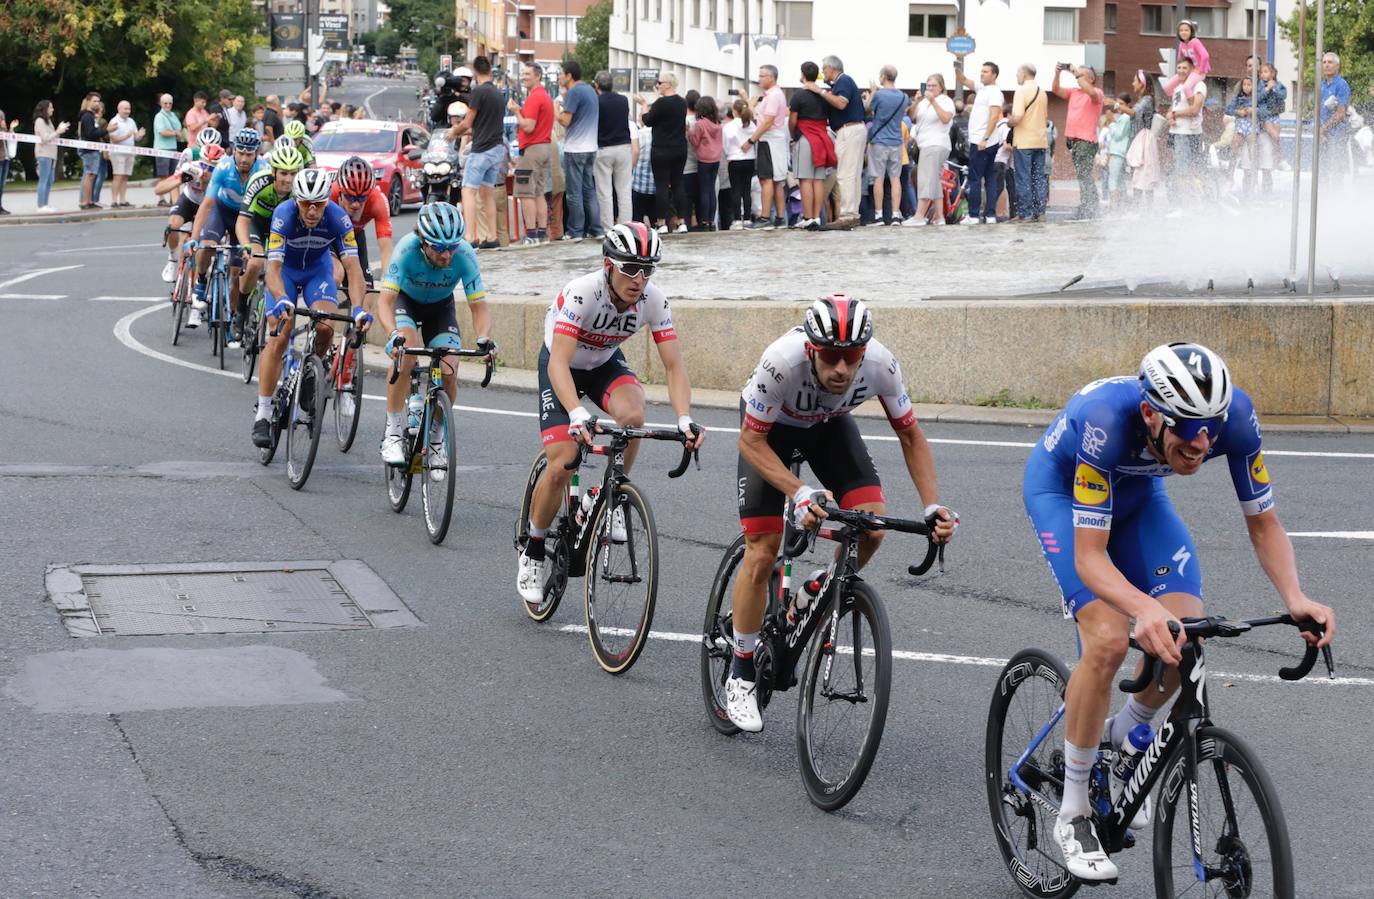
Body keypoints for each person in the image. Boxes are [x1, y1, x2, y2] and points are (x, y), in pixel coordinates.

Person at [1022, 343, 1335, 882]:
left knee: (1185, 636)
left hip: (1140, 495)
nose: (1201, 443)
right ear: (1150, 413)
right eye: (1187, 429)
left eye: (1210, 428)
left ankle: (1127, 735)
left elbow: (1264, 524)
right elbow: (1090, 556)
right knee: (1109, 640)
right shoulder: (1105, 420)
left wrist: (1295, 598)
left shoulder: (1235, 418)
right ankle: (1073, 813)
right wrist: (1140, 608)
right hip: (1061, 489)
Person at [724, 295, 957, 732]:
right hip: (770, 432)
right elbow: (749, 443)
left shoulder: (882, 365)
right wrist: (798, 493)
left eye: (852, 358)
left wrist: (932, 505)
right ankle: (740, 670)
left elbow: (911, 436)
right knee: (763, 547)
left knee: (871, 525)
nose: (842, 370)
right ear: (812, 349)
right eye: (832, 357)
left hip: (828, 428)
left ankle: (818, 586)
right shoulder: (781, 363)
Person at [515, 222, 705, 603]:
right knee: (564, 460)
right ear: (608, 265)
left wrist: (684, 418)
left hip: (603, 363)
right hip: (561, 365)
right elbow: (559, 364)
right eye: (630, 268)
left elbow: (673, 366)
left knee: (634, 418)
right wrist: (574, 411)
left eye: (647, 269)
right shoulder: (584, 294)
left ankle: (608, 495)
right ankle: (534, 549)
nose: (639, 278)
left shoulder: (654, 300)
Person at [252, 168, 372, 449]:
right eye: (306, 203)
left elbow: (354, 271)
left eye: (319, 203)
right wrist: (281, 297)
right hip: (287, 274)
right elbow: (273, 270)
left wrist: (357, 309)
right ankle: (264, 411)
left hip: (317, 272)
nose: (312, 210)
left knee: (325, 326)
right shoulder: (283, 214)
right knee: (279, 336)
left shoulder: (338, 218)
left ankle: (310, 374)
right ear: (296, 201)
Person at [377, 202, 493, 466]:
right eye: (439, 248)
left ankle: (438, 437)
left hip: (440, 308)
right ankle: (393, 432)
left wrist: (484, 337)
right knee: (405, 355)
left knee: (450, 367)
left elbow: (479, 307)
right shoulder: (405, 250)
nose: (447, 255)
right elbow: (385, 302)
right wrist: (392, 334)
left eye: (452, 247)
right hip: (405, 302)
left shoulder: (464, 254)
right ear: (423, 242)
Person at [186, 128, 267, 332]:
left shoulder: (264, 169)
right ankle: (202, 280)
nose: (244, 158)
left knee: (236, 272)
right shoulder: (223, 167)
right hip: (222, 212)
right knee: (207, 246)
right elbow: (206, 204)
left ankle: (231, 319)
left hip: (247, 217)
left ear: (256, 153)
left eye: (249, 154)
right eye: (240, 152)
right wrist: (194, 238)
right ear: (234, 151)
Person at [234, 144, 304, 324]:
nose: (289, 179)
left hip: (281, 229)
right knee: (255, 263)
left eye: (293, 173)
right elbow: (242, 220)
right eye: (283, 173)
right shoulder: (259, 181)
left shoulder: (299, 190)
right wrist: (245, 245)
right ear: (273, 172)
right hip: (257, 223)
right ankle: (241, 311)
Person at [448, 55, 506, 250]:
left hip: (481, 150)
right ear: (489, 69)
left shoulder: (478, 92)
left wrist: (452, 132)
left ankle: (470, 236)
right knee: (486, 193)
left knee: (468, 191)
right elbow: (482, 125)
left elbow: (467, 122)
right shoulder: (498, 94)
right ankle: (491, 237)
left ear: (474, 71)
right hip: (497, 149)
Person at [157, 128, 225, 282]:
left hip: (209, 205)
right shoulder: (190, 163)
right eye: (204, 165)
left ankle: (200, 281)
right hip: (189, 200)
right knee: (173, 224)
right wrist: (181, 179)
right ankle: (173, 259)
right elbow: (159, 189)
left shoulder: (223, 169)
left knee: (205, 245)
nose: (207, 170)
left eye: (212, 167)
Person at [811, 56, 865, 225]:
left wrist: (819, 91)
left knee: (845, 174)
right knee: (853, 175)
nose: (823, 73)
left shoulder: (843, 81)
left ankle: (847, 214)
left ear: (832, 69)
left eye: (824, 69)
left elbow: (841, 103)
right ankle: (852, 213)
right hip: (854, 130)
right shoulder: (843, 82)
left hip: (848, 130)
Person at [635, 72, 689, 236]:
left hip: (661, 149)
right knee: (678, 184)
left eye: (660, 83)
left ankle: (661, 222)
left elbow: (647, 120)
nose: (657, 85)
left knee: (662, 186)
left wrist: (644, 104)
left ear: (668, 84)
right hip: (680, 148)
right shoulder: (682, 102)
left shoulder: (661, 103)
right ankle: (682, 222)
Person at [331, 156, 394, 292]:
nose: (356, 204)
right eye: (350, 197)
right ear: (340, 192)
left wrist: (389, 283)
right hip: (330, 237)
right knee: (336, 276)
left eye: (362, 198)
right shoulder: (330, 194)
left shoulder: (377, 201)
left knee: (366, 292)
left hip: (355, 236)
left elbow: (386, 250)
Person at [510, 62, 555, 244]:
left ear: (538, 76)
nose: (524, 77)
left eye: (527, 74)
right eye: (523, 73)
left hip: (531, 150)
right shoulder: (545, 96)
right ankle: (542, 233)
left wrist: (515, 112)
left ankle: (531, 235)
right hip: (544, 147)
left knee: (525, 192)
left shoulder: (535, 97)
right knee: (538, 192)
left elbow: (528, 126)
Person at [1053, 64, 1105, 221]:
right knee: (1083, 175)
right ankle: (1089, 206)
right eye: (1077, 76)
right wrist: (1057, 74)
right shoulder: (1074, 92)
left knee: (1084, 175)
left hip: (1086, 141)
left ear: (1091, 79)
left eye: (1082, 76)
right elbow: (1055, 90)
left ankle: (1089, 207)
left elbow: (1090, 91)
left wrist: (1076, 74)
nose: (1078, 79)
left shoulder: (1097, 93)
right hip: (1074, 141)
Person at [956, 61, 1005, 225]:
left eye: (985, 72)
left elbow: (994, 116)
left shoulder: (995, 92)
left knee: (975, 178)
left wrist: (984, 138)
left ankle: (974, 215)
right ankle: (990, 215)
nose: (982, 74)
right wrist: (958, 64)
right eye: (981, 71)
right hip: (981, 140)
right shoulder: (982, 88)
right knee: (989, 177)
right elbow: (963, 80)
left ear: (994, 75)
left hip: (983, 141)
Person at [789, 62, 836, 231]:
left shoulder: (798, 95)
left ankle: (807, 217)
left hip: (805, 137)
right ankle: (816, 216)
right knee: (818, 180)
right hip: (822, 138)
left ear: (803, 74)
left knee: (805, 180)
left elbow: (793, 120)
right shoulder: (823, 94)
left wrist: (794, 136)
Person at [740, 65, 789, 230]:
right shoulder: (774, 95)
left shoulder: (773, 95)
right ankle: (780, 217)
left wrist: (751, 140)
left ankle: (765, 217)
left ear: (771, 77)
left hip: (769, 140)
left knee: (766, 179)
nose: (759, 78)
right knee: (776, 181)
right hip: (773, 140)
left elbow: (767, 121)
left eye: (762, 76)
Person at [558, 60, 601, 241]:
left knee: (574, 192)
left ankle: (576, 230)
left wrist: (556, 113)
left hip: (575, 149)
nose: (559, 76)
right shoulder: (590, 90)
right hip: (591, 147)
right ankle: (596, 228)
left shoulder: (573, 92)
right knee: (589, 189)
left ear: (569, 75)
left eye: (561, 73)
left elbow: (566, 121)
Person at [904, 74, 954, 227]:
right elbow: (912, 117)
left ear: (941, 87)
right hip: (925, 144)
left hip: (935, 143)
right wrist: (917, 101)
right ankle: (940, 217)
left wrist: (933, 101)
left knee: (925, 178)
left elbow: (946, 118)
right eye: (928, 85)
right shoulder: (923, 102)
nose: (930, 88)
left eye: (934, 85)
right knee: (933, 180)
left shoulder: (946, 101)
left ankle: (919, 216)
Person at [593, 70, 636, 229]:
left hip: (603, 148)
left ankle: (607, 228)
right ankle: (626, 227)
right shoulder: (623, 100)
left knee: (605, 193)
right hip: (623, 147)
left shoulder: (596, 101)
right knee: (624, 191)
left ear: (597, 85)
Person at [866, 65, 907, 227]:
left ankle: (879, 215)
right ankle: (896, 215)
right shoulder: (904, 97)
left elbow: (868, 108)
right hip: (897, 141)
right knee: (895, 178)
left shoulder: (880, 95)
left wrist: (873, 91)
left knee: (878, 178)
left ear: (883, 76)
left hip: (879, 141)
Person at [1008, 64, 1049, 223]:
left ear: (1024, 75)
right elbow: (1044, 115)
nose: (1016, 76)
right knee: (1038, 177)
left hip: (1024, 142)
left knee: (1023, 177)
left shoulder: (1021, 91)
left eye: (1018, 73)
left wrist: (1008, 122)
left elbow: (1017, 117)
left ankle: (1026, 213)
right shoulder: (1042, 92)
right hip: (1040, 141)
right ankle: (1041, 212)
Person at [1166, 58, 1207, 202]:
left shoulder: (1199, 85)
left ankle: (1188, 204)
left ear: (1191, 70)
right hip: (1176, 133)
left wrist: (1176, 114)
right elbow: (1173, 107)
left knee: (1186, 170)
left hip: (1188, 133)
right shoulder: (1178, 86)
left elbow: (1195, 109)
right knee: (1180, 169)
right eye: (1179, 68)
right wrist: (1169, 115)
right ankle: (1186, 202)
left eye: (1184, 68)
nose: (1181, 70)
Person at [688, 95, 722, 231]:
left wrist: (689, 133)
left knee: (704, 191)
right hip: (716, 160)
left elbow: (695, 142)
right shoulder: (718, 124)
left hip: (704, 160)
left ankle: (704, 220)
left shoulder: (701, 124)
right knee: (712, 190)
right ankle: (711, 221)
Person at [722, 97, 756, 230]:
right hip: (749, 159)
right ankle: (747, 218)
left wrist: (727, 155)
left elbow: (725, 145)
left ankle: (737, 219)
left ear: (734, 111)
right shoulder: (752, 125)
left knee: (735, 189)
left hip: (734, 159)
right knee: (746, 189)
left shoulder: (729, 126)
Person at [105, 100, 146, 208]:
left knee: (125, 176)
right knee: (118, 176)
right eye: (125, 109)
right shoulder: (114, 121)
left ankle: (123, 200)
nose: (128, 111)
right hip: (118, 153)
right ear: (119, 109)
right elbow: (113, 139)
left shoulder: (131, 121)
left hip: (130, 152)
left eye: (129, 109)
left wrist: (140, 135)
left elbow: (136, 137)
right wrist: (127, 136)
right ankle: (114, 201)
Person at [1318, 52, 1352, 179]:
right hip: (1322, 133)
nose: (1326, 65)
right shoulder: (1321, 85)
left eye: (1330, 62)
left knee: (1336, 168)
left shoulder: (1341, 84)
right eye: (1324, 62)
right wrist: (1318, 130)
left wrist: (1323, 129)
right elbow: (1317, 109)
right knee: (1321, 169)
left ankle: (1336, 197)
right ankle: (1322, 196)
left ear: (1337, 66)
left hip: (1336, 134)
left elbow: (1340, 113)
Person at [31, 100, 69, 213]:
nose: (53, 109)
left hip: (51, 154)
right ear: (45, 109)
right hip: (43, 154)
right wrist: (58, 131)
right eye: (51, 107)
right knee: (43, 180)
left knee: (49, 180)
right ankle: (41, 205)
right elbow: (45, 138)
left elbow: (53, 136)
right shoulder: (39, 121)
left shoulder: (48, 121)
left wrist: (59, 130)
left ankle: (45, 204)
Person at [1161, 20, 1211, 100]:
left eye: (1186, 30)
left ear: (1191, 31)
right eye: (1181, 30)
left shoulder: (1195, 42)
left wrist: (1200, 70)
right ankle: (1178, 101)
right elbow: (1180, 59)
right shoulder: (1182, 44)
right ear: (1178, 33)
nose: (1184, 32)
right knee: (1167, 87)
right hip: (1186, 71)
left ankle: (1192, 106)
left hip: (1198, 72)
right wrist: (1179, 71)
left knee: (1186, 87)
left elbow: (1205, 56)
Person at [77, 93, 105, 210]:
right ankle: (85, 202)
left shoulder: (90, 116)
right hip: (89, 150)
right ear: (88, 102)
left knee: (92, 175)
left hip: (92, 149)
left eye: (98, 101)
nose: (97, 103)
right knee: (89, 175)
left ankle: (89, 200)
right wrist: (106, 130)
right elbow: (90, 133)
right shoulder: (87, 117)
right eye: (94, 101)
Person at [1103, 101, 1131, 209]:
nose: (1117, 106)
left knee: (1113, 179)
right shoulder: (1124, 117)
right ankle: (1121, 204)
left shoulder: (1125, 117)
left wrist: (1111, 122)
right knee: (1119, 179)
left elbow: (1118, 135)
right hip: (1118, 152)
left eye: (1121, 103)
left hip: (1118, 152)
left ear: (1127, 105)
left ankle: (1114, 205)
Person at [630, 119, 657, 229]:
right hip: (656, 187)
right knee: (655, 223)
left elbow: (633, 153)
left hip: (638, 186)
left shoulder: (639, 134)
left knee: (637, 224)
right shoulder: (662, 135)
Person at [153, 95, 183, 189]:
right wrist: (175, 133)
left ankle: (173, 198)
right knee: (163, 175)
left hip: (173, 148)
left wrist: (176, 132)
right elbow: (163, 132)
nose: (168, 105)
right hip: (162, 148)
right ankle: (161, 199)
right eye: (165, 103)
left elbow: (179, 128)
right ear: (161, 104)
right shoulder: (159, 116)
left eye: (170, 103)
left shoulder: (173, 115)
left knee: (174, 174)